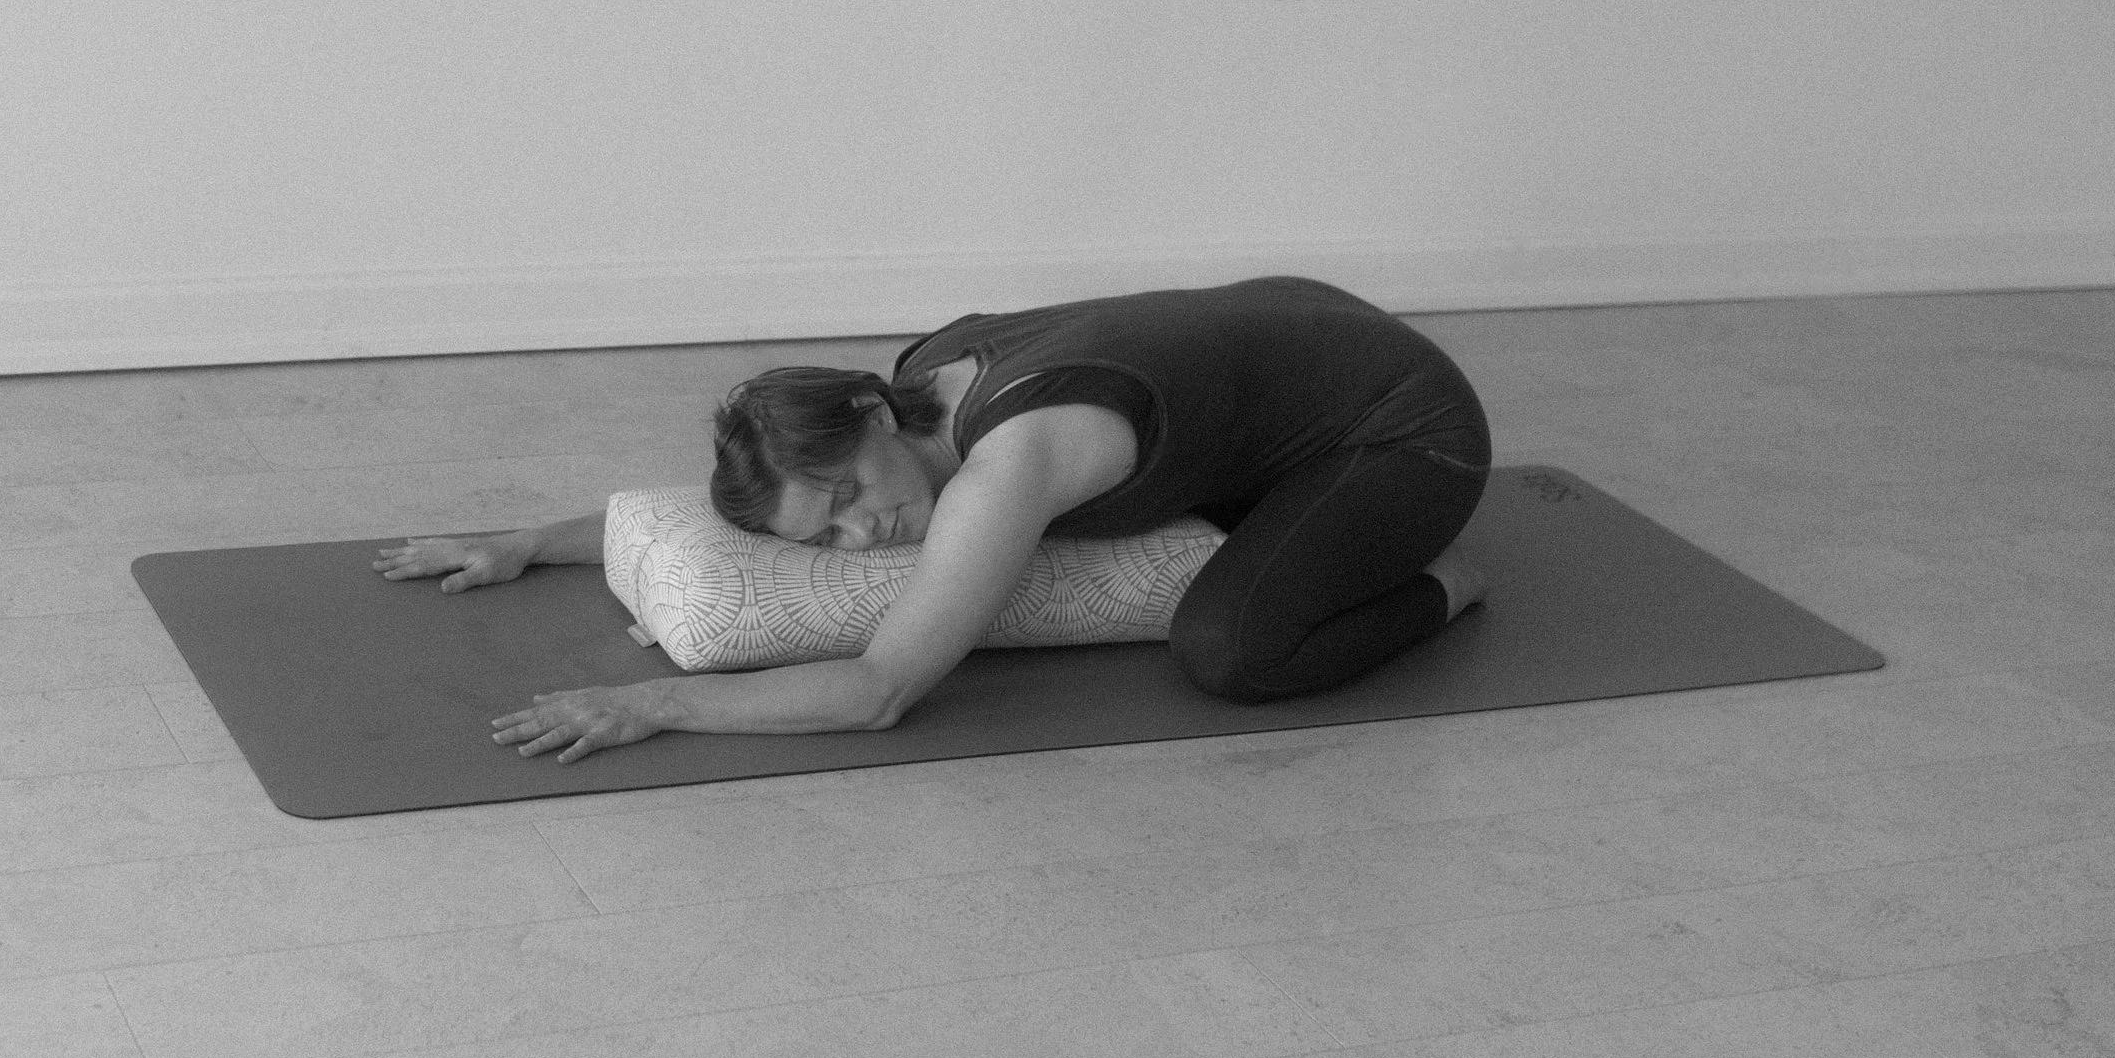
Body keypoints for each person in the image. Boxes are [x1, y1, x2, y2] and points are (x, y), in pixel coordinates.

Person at [372, 277, 1491, 764]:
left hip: (1402, 427)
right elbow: (742, 505)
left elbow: (880, 693)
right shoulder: (919, 376)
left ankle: (1446, 578)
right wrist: (536, 538)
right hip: (1300, 336)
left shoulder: (1012, 462)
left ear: (870, 412)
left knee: (1230, 647)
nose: (862, 537)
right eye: (828, 536)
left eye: (853, 499)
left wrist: (652, 705)